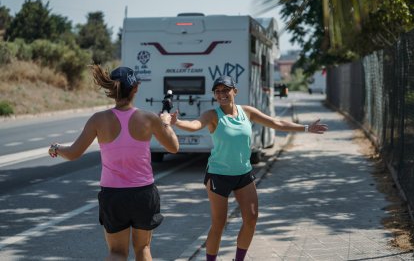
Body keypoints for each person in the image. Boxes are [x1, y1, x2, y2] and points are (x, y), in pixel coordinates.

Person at [170, 75, 328, 261]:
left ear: (234, 91)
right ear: (214, 94)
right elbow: (194, 125)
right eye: (218, 91)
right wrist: (177, 122)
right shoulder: (212, 115)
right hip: (218, 175)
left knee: (251, 219)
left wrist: (306, 128)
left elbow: (276, 123)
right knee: (219, 224)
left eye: (226, 90)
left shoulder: (247, 112)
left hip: (243, 173)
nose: (222, 94)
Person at [48, 65, 179, 261]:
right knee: (143, 248)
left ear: (111, 90)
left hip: (113, 195)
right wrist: (167, 123)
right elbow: (174, 147)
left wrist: (57, 148)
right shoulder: (149, 118)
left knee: (117, 253)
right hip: (143, 192)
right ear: (135, 89)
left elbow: (74, 153)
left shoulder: (98, 120)